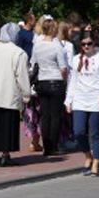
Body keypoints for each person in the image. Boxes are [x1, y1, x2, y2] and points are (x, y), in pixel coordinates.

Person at [0, 23, 32, 167]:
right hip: (9, 95)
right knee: (7, 127)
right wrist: (26, 94)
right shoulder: (19, 53)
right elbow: (22, 76)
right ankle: (5, 155)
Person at [65, 32, 99, 176]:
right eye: (83, 44)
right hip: (80, 99)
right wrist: (68, 100)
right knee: (78, 132)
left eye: (89, 44)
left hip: (96, 99)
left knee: (95, 132)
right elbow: (72, 81)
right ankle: (87, 155)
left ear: (94, 44)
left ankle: (96, 161)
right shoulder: (76, 59)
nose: (86, 47)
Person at [31, 18, 68, 156]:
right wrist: (65, 81)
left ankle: (46, 146)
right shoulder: (56, 46)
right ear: (53, 30)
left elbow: (33, 63)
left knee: (45, 116)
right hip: (56, 81)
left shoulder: (37, 45)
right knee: (56, 116)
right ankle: (54, 145)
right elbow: (63, 68)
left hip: (42, 81)